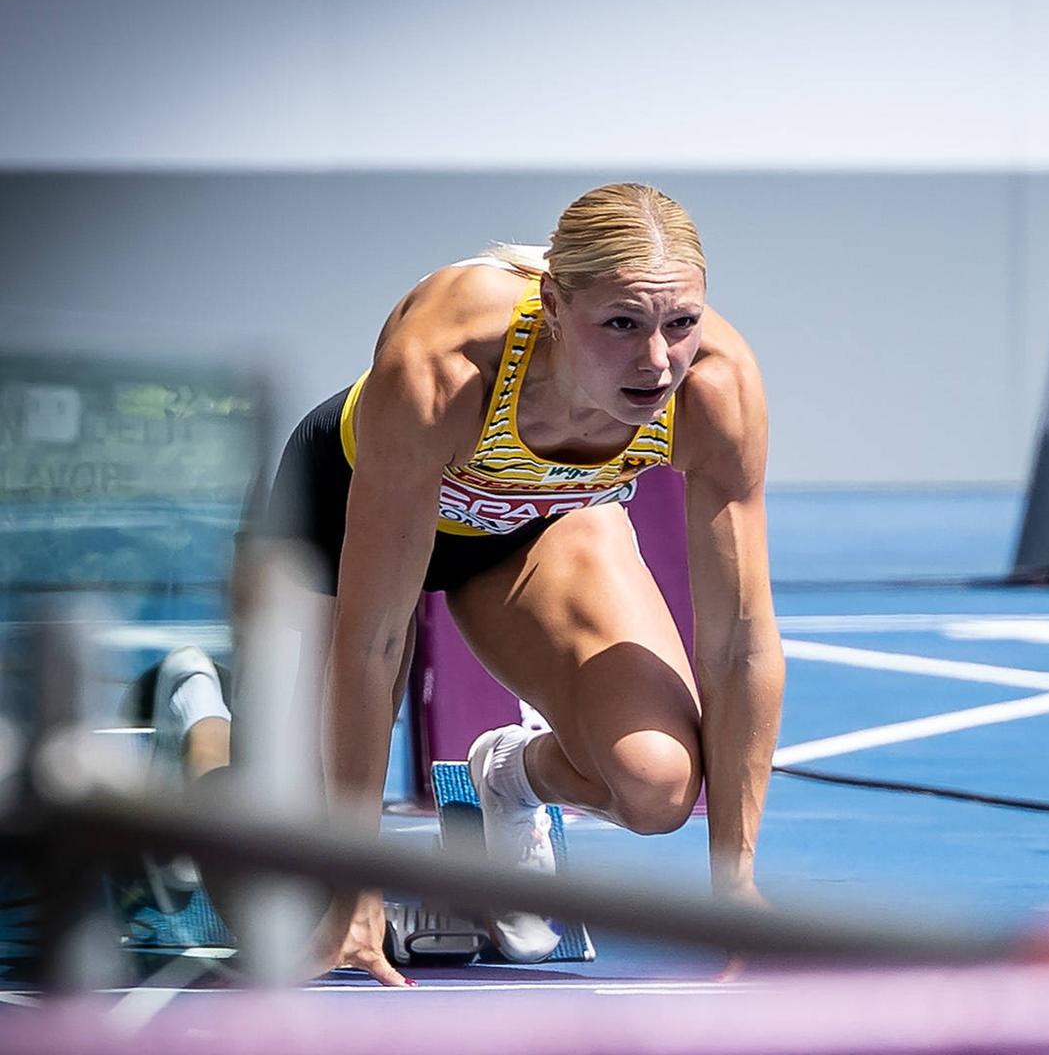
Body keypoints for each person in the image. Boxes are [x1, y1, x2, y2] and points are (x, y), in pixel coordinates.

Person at [170, 183, 781, 985]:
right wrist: (356, 894)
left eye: (681, 324)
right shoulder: (448, 363)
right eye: (622, 325)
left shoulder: (715, 388)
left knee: (657, 786)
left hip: (528, 532)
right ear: (555, 304)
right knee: (270, 873)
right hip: (341, 519)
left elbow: (738, 644)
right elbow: (375, 641)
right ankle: (194, 712)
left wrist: (733, 888)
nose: (657, 361)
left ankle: (508, 775)